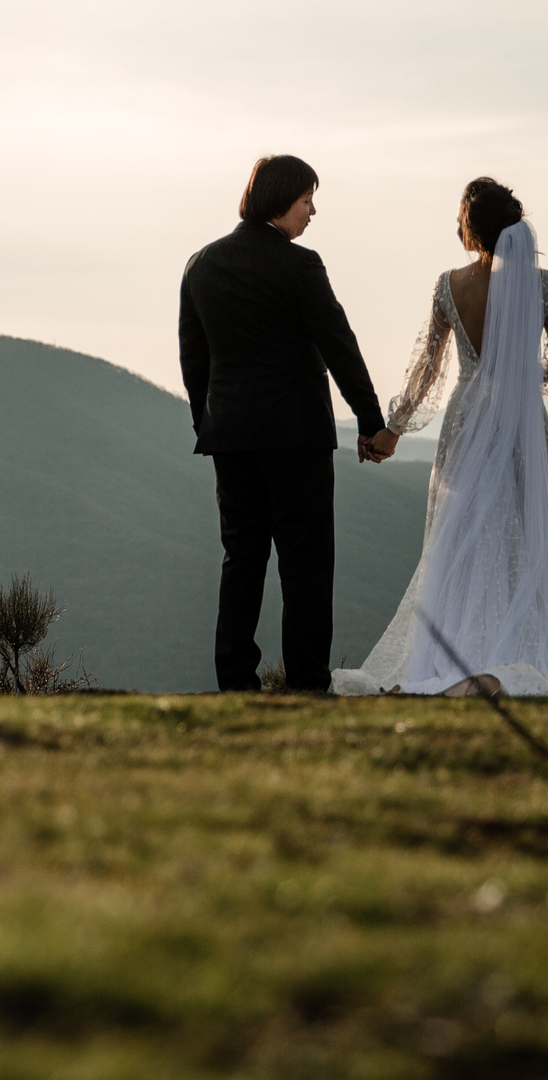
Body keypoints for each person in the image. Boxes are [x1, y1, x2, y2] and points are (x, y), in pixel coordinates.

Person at [332, 177, 548, 698]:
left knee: (462, 537)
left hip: (466, 421)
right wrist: (518, 374)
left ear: (472, 228)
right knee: (536, 534)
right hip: (522, 423)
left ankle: (454, 654)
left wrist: (393, 429)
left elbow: (427, 370)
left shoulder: (449, 285)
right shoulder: (545, 285)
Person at [178, 155, 395, 694]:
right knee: (306, 564)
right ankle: (305, 683)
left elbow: (194, 359)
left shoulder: (200, 265)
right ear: (279, 201)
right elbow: (339, 345)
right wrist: (370, 420)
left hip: (230, 438)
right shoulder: (300, 265)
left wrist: (209, 422)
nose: (312, 212)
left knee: (242, 560)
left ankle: (235, 682)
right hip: (297, 437)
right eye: (306, 200)